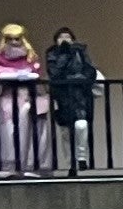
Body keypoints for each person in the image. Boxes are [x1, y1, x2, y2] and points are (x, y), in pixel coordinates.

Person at [42, 25, 100, 174]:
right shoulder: (52, 54)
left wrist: (78, 78)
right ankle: (70, 164)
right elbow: (54, 73)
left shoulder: (81, 52)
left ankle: (81, 157)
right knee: (66, 132)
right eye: (61, 37)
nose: (65, 40)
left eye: (68, 37)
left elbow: (90, 71)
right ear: (56, 41)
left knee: (81, 125)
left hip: (80, 96)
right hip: (62, 97)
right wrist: (64, 56)